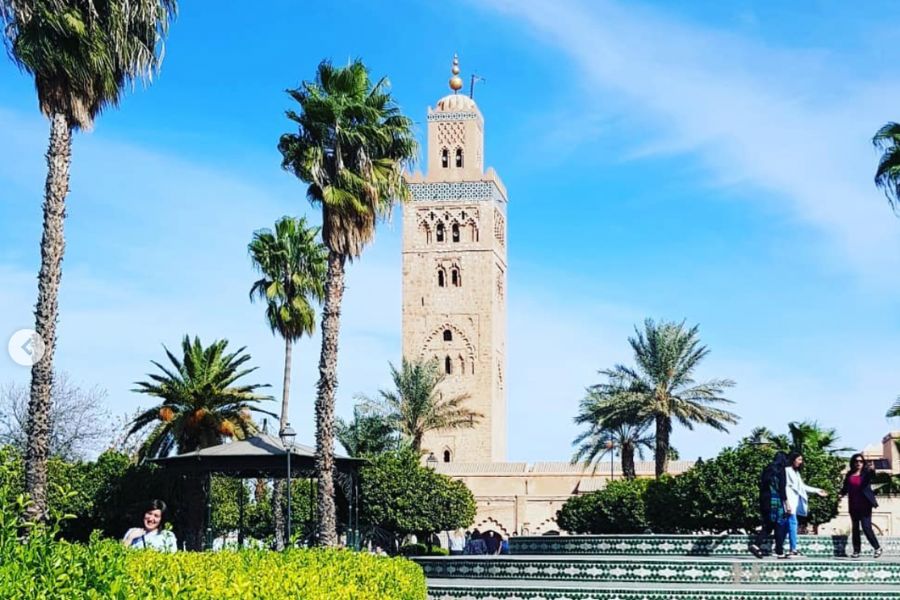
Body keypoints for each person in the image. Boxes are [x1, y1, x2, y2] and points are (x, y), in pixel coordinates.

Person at [782, 452, 827, 557]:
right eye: (799, 459)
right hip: (789, 503)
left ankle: (788, 548)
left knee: (790, 525)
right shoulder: (787, 471)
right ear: (793, 459)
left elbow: (802, 487)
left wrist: (817, 490)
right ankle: (792, 549)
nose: (800, 462)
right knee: (792, 524)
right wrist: (787, 502)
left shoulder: (796, 473)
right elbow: (784, 487)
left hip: (794, 503)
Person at [839, 453, 882, 559]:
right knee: (855, 528)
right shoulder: (849, 474)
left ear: (863, 463)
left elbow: (872, 476)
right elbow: (845, 488)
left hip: (865, 504)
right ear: (853, 462)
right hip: (853, 505)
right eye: (856, 461)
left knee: (866, 527)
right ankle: (856, 551)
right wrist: (839, 495)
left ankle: (877, 548)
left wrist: (872, 470)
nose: (858, 463)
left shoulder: (866, 473)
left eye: (861, 461)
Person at [749, 451, 788, 559]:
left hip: (765, 500)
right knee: (780, 524)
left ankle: (756, 545)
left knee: (769, 525)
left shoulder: (767, 468)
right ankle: (779, 551)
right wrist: (786, 503)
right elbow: (782, 488)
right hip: (775, 501)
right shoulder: (781, 470)